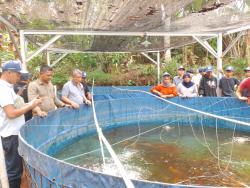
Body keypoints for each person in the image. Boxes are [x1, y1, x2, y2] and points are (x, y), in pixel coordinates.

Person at [0, 60, 42, 188]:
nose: (20, 77)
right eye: (18, 74)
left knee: (16, 170)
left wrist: (31, 103)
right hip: (10, 135)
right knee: (14, 172)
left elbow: (16, 107)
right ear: (9, 72)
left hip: (14, 133)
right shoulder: (3, 89)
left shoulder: (8, 87)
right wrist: (31, 106)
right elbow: (11, 113)